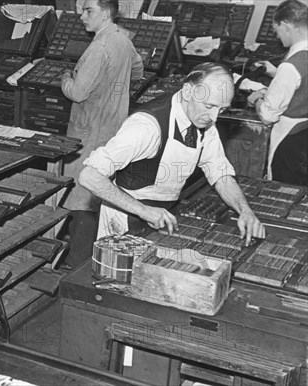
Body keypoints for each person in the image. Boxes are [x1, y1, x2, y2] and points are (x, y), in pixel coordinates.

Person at [79, 63, 265, 246]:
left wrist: (244, 210)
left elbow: (220, 173)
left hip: (164, 212)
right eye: (209, 106)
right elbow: (90, 176)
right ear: (188, 92)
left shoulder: (203, 120)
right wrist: (143, 210)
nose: (215, 117)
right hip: (126, 216)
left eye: (222, 109)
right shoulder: (146, 127)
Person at [59, 0, 144, 267]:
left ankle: (75, 261)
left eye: (88, 11)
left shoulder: (99, 47)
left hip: (88, 131)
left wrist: (64, 77)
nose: (82, 16)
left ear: (106, 13)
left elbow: (78, 92)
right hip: (112, 128)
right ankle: (87, 256)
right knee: (98, 191)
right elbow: (138, 71)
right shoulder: (122, 39)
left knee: (79, 194)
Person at [247, 0, 308, 185]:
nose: (277, 37)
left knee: (283, 189)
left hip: (289, 140)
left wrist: (257, 99)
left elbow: (267, 116)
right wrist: (276, 72)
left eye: (277, 30)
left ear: (286, 25)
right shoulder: (297, 61)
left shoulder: (290, 66)